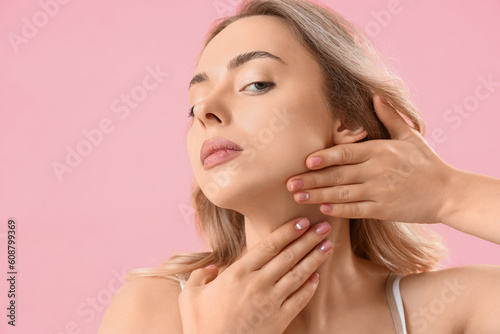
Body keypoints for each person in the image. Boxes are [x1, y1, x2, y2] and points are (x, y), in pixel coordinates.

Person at [98, 0, 500, 333]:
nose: (205, 110)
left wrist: (451, 194)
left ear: (348, 120)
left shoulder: (456, 311)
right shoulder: (156, 310)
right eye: (194, 101)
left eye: (256, 83)